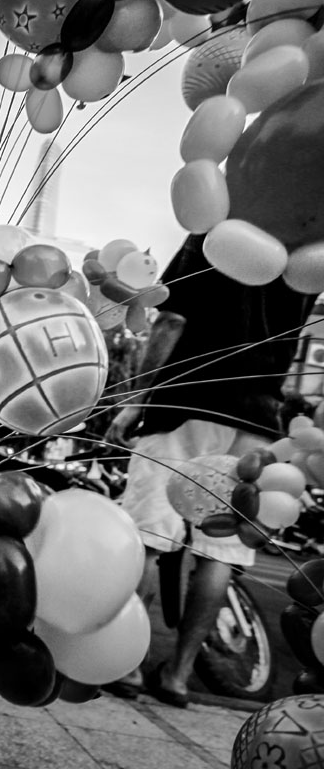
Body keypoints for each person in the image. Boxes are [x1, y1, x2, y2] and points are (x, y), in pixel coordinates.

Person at [104, 232, 315, 707]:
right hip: (256, 418)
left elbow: (172, 319)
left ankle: (127, 663)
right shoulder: (305, 245)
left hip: (187, 402)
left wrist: (136, 399)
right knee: (220, 552)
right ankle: (177, 675)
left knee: (149, 536)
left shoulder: (215, 229)